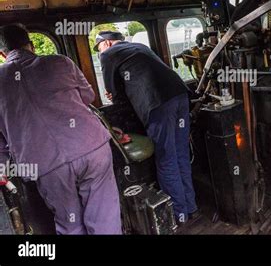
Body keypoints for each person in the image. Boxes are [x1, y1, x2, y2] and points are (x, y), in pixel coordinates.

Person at [0, 24, 122, 234]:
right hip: (91, 147)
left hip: (45, 164)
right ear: (31, 45)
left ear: (2, 53)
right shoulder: (60, 61)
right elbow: (88, 97)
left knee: (70, 223)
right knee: (104, 214)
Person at [95, 30, 198, 224]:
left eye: (98, 47)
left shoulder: (108, 54)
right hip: (180, 94)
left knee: (167, 159)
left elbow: (114, 92)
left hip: (157, 102)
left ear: (107, 43)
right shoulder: (140, 46)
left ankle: (179, 215)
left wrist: (114, 95)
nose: (99, 52)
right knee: (181, 154)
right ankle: (190, 207)